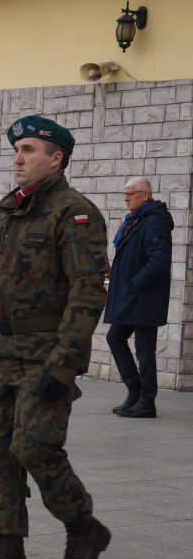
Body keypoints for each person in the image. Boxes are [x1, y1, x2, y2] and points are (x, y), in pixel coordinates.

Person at [0, 115, 111, 559]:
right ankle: (8, 554)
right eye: (16, 150)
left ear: (55, 157)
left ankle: (83, 527)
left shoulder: (74, 212)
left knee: (34, 446)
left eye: (27, 149)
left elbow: (87, 293)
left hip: (46, 354)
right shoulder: (9, 213)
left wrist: (64, 364)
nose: (17, 158)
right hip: (4, 353)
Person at [103, 176, 173, 419]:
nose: (126, 198)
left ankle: (147, 401)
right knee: (115, 338)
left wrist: (134, 283)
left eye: (130, 194)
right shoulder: (135, 220)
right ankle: (135, 391)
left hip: (144, 297)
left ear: (145, 195)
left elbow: (159, 262)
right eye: (125, 194)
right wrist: (116, 271)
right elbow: (136, 257)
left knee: (144, 350)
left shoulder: (153, 221)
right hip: (131, 296)